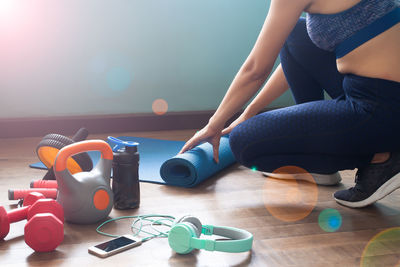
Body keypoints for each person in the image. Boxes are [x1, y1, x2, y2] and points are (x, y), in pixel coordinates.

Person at [179, 0, 400, 208]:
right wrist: (247, 113)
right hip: (380, 92)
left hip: (382, 108)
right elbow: (293, 56)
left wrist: (213, 125)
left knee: (243, 143)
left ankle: (383, 159)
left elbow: (255, 69)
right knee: (296, 35)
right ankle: (322, 164)